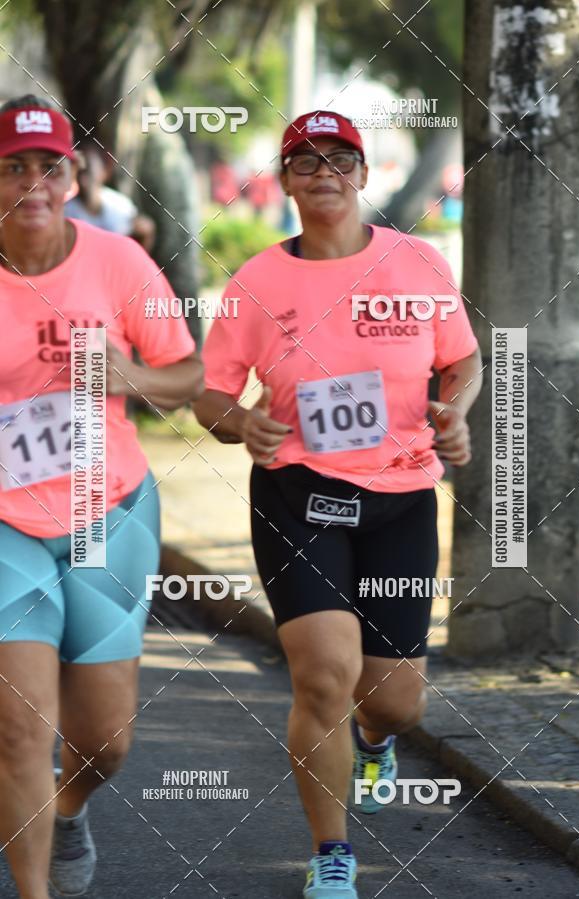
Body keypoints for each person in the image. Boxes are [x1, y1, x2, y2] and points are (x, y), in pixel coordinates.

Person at [194, 110, 482, 898]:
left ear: (362, 173)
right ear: (286, 179)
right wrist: (240, 421)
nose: (325, 172)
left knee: (398, 699)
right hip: (298, 496)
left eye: (340, 159)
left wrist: (453, 409)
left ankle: (374, 735)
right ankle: (331, 852)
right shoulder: (255, 281)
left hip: (402, 499)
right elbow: (211, 394)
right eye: (306, 161)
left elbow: (461, 360)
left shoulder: (418, 263)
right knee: (323, 674)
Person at [0, 94, 202, 899]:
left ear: (75, 177)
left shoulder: (118, 264)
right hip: (6, 522)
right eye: (13, 167)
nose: (33, 183)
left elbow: (189, 375)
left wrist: (134, 378)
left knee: (105, 740)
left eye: (50, 167)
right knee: (20, 727)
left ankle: (68, 802)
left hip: (105, 511)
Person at [65, 140, 156, 251]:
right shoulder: (67, 212)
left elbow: (142, 232)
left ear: (105, 171)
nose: (84, 179)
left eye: (89, 170)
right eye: (80, 171)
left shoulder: (120, 206)